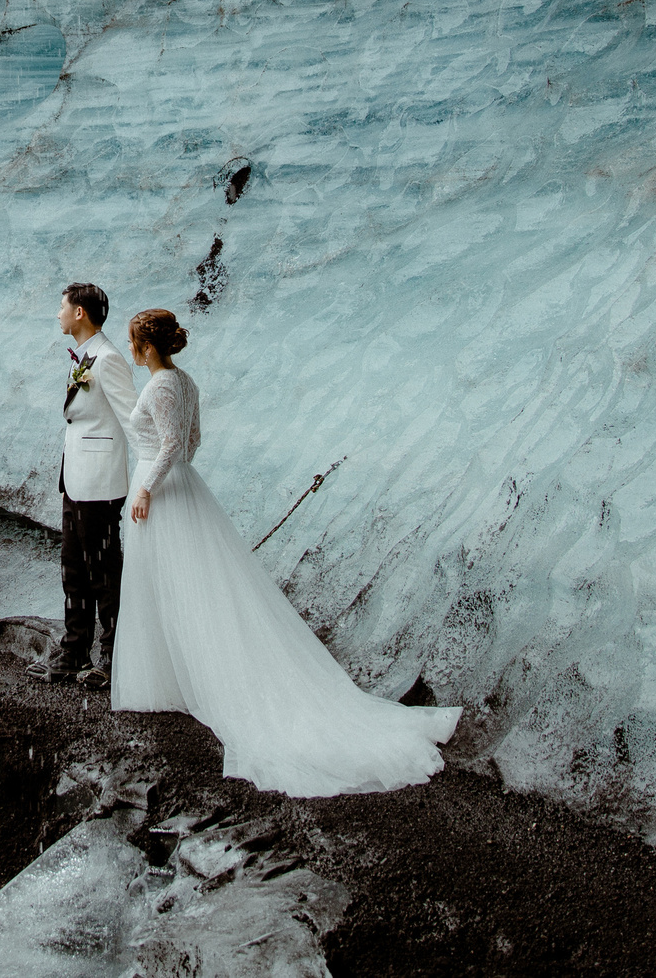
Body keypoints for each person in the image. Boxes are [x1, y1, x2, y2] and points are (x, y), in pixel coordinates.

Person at [111, 307, 461, 796]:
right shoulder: (186, 382)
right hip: (182, 488)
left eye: (132, 343)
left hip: (163, 494)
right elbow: (193, 442)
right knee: (182, 585)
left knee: (172, 586)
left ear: (147, 346)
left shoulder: (161, 385)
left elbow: (171, 442)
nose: (130, 351)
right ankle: (179, 677)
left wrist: (146, 488)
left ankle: (174, 682)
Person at [39, 281, 133, 686]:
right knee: (73, 569)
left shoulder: (108, 359)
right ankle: (75, 649)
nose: (58, 313)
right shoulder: (85, 355)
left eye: (62, 306)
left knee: (104, 573)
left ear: (80, 312)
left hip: (101, 483)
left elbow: (133, 419)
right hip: (74, 479)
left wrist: (146, 478)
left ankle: (114, 658)